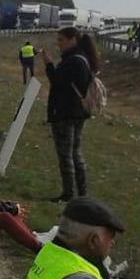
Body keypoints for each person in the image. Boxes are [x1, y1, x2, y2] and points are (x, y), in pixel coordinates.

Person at [40, 27, 98, 202]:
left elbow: (57, 82)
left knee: (66, 155)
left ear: (72, 39)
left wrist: (49, 64)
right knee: (75, 153)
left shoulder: (73, 61)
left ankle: (69, 194)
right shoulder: (82, 58)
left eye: (61, 40)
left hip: (66, 112)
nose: (59, 44)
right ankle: (81, 194)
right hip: (78, 112)